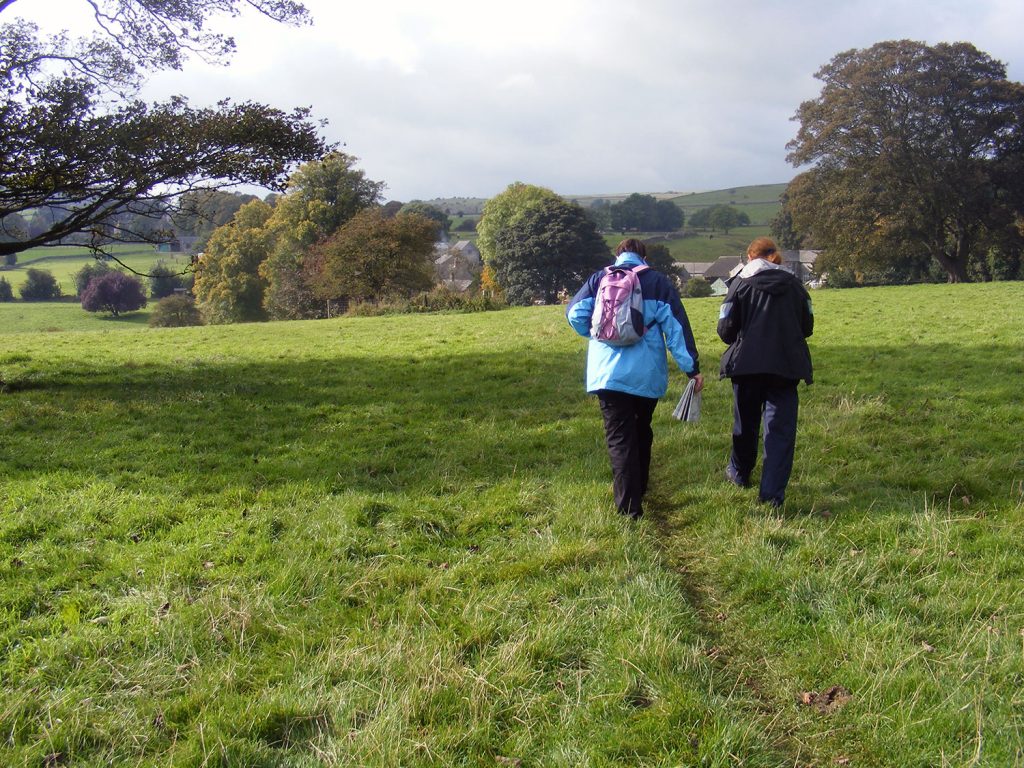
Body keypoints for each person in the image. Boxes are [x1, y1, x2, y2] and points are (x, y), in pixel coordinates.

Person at [567, 238, 703, 519]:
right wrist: (691, 368)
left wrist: (597, 333)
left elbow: (574, 313)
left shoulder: (598, 279)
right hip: (646, 374)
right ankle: (639, 488)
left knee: (619, 438)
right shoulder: (657, 282)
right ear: (643, 255)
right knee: (641, 429)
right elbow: (676, 329)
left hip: (606, 374)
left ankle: (629, 509)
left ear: (618, 254)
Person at [717, 237, 813, 508]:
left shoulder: (739, 285)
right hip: (786, 367)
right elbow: (807, 326)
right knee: (779, 432)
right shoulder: (796, 286)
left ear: (751, 257)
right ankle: (771, 495)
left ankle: (739, 473)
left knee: (745, 425)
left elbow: (725, 329)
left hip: (747, 366)